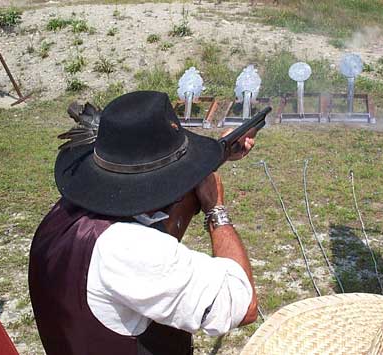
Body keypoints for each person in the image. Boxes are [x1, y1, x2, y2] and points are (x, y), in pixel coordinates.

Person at [28, 91, 258, 355]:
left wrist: (216, 153)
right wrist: (216, 209)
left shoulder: (65, 214)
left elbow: (150, 183)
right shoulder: (132, 250)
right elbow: (244, 303)